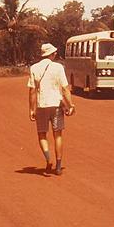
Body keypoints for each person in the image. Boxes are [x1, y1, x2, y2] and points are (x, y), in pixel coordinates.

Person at [28, 43, 75, 176]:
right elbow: (65, 88)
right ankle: (59, 166)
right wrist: (70, 105)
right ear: (52, 54)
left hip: (41, 105)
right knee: (57, 135)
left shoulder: (34, 68)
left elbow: (32, 91)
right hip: (56, 105)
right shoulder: (58, 67)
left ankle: (49, 159)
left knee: (42, 134)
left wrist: (31, 109)